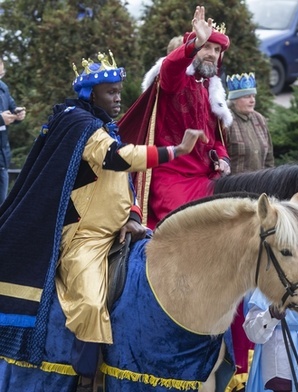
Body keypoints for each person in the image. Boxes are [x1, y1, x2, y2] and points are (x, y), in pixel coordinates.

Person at [0, 51, 204, 378]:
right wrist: (175, 152)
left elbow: (121, 184)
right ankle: (85, 377)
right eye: (111, 92)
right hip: (85, 237)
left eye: (120, 91)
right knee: (91, 305)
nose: (118, 98)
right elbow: (118, 159)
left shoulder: (102, 126)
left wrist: (134, 217)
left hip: (121, 230)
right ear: (90, 94)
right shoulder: (79, 124)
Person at [118, 5, 233, 228]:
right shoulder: (176, 80)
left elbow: (217, 141)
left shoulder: (212, 90)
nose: (211, 54)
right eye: (206, 47)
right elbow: (170, 66)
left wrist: (224, 160)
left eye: (217, 50)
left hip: (208, 180)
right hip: (172, 180)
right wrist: (194, 44)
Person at [226, 72, 274, 173]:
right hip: (234, 185)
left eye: (253, 96)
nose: (252, 100)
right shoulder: (226, 120)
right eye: (247, 96)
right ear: (234, 100)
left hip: (260, 184)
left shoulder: (259, 119)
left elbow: (269, 158)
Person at [0, 58, 26, 204]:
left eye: (1, 74)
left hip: (2, 157)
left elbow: (11, 108)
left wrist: (17, 115)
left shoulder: (3, 88)